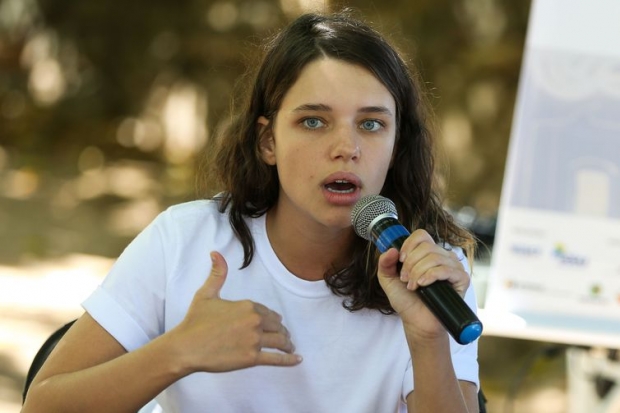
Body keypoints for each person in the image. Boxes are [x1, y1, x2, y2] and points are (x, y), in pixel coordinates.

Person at [22, 10, 480, 413]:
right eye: (313, 121)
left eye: (372, 123)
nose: (347, 148)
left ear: (397, 144)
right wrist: (177, 352)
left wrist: (427, 339)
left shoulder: (430, 271)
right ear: (268, 142)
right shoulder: (184, 242)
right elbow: (42, 407)